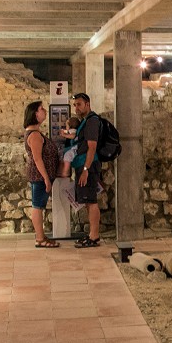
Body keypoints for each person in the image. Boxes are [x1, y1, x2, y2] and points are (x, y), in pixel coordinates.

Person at [22, 100, 63, 248]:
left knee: (39, 204)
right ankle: (40, 238)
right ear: (34, 114)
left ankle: (41, 236)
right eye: (41, 109)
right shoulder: (34, 135)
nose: (44, 111)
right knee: (37, 205)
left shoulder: (35, 133)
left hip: (41, 175)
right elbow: (38, 159)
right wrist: (46, 178)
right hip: (39, 176)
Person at [69, 92, 102, 247]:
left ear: (87, 104)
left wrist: (85, 169)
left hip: (88, 166)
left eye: (79, 104)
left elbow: (92, 147)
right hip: (84, 165)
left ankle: (94, 236)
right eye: (75, 105)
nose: (76, 108)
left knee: (91, 201)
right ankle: (92, 235)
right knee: (88, 201)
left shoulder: (92, 121)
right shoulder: (85, 121)